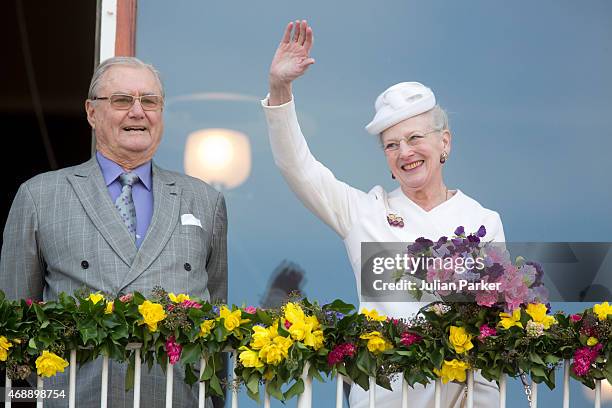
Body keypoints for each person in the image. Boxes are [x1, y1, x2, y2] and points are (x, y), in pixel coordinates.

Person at [262, 21, 504, 407]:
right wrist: (280, 89)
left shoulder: (483, 221)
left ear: (444, 143)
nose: (404, 152)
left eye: (414, 138)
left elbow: (494, 330)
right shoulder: (366, 212)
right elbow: (298, 168)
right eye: (392, 145)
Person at [0, 56, 227, 408]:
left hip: (175, 398)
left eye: (149, 101)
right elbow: (13, 325)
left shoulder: (205, 201)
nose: (138, 112)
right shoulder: (39, 196)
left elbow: (216, 323)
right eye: (122, 100)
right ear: (92, 113)